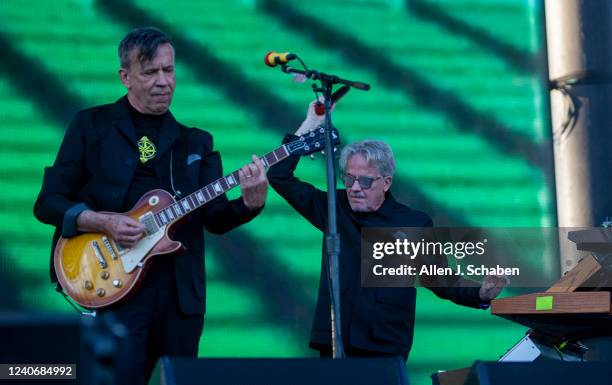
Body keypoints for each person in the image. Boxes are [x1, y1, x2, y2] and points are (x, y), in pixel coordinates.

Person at [33, 27, 268, 384]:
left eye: (169, 70)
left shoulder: (196, 141)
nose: (164, 81)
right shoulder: (90, 125)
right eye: (150, 72)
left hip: (179, 294)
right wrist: (103, 221)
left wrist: (250, 203)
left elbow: (215, 218)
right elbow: (48, 203)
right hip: (115, 287)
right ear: (125, 77)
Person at [267, 100, 506, 360]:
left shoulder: (413, 222)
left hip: (384, 345)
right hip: (336, 344)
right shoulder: (333, 207)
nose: (355, 187)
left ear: (386, 182)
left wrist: (480, 292)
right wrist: (309, 125)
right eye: (349, 178)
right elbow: (279, 176)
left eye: (366, 181)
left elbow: (439, 278)